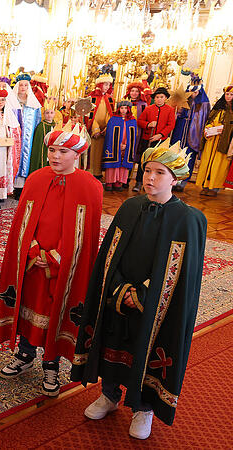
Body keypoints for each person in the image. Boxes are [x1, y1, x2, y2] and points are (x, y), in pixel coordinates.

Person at [72, 141, 206, 440]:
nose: (150, 178)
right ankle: (109, 395)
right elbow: (110, 255)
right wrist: (121, 289)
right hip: (118, 297)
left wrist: (143, 295)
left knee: (145, 350)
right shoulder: (130, 207)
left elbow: (184, 276)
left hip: (158, 306)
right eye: (147, 170)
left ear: (175, 178)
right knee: (112, 342)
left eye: (160, 172)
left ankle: (143, 408)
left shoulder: (189, 220)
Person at [0, 123, 102, 397]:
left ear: (76, 154)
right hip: (32, 263)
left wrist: (54, 258)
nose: (54, 156)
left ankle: (51, 364)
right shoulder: (36, 179)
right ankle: (25, 354)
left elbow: (83, 234)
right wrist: (32, 251)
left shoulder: (90, 186)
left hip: (63, 266)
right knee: (28, 305)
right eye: (52, 150)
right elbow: (23, 223)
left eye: (62, 151)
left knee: (55, 310)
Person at [170, 74, 210, 191]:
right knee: (176, 154)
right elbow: (176, 115)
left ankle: (183, 182)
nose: (193, 94)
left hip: (193, 134)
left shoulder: (204, 104)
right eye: (191, 92)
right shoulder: (183, 101)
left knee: (189, 157)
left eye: (195, 92)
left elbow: (203, 121)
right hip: (180, 129)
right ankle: (173, 180)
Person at [133, 87, 175, 191]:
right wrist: (148, 124)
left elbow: (171, 125)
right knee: (144, 162)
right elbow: (140, 121)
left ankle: (154, 184)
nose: (159, 99)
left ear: (165, 98)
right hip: (147, 139)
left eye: (161, 97)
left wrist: (160, 134)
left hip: (161, 141)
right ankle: (139, 182)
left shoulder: (170, 110)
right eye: (157, 97)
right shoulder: (148, 109)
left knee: (157, 164)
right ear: (154, 99)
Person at [195, 85, 233, 197]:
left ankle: (214, 188)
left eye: (231, 94)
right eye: (227, 94)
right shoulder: (217, 108)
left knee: (219, 165)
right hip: (211, 141)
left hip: (224, 143)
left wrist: (224, 129)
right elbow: (209, 120)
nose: (229, 96)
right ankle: (205, 186)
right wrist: (209, 128)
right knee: (207, 162)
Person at [0, 88, 21, 201]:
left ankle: (0, 193)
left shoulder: (9, 115)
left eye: (2, 100)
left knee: (2, 168)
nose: (0, 102)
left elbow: (16, 131)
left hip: (5, 150)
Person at [13, 73, 43, 188]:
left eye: (26, 85)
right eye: (21, 85)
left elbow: (37, 120)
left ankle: (21, 186)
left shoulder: (33, 104)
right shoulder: (12, 102)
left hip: (27, 137)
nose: (23, 87)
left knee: (25, 156)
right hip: (14, 135)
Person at [102, 101, 138, 191]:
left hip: (126, 146)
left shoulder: (132, 121)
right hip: (114, 145)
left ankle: (118, 182)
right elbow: (109, 135)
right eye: (122, 108)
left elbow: (132, 136)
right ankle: (109, 181)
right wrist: (118, 145)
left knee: (122, 164)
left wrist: (126, 145)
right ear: (118, 109)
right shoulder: (113, 119)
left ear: (129, 109)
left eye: (126, 108)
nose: (124, 110)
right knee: (113, 163)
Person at [87, 74, 115, 177]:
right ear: (100, 84)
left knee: (100, 152)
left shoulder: (110, 99)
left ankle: (98, 171)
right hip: (94, 130)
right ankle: (91, 170)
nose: (107, 87)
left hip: (104, 130)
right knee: (93, 151)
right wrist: (95, 129)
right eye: (106, 84)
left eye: (109, 85)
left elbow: (110, 113)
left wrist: (107, 127)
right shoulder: (92, 97)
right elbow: (90, 115)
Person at [29, 99, 58, 174]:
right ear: (43, 114)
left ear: (55, 114)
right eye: (47, 113)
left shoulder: (56, 125)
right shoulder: (41, 126)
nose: (49, 115)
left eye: (51, 113)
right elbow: (38, 145)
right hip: (44, 152)